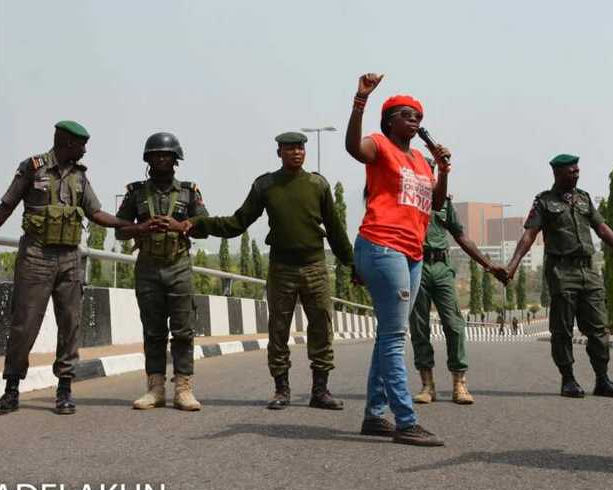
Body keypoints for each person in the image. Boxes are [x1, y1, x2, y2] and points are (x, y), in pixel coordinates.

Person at [0, 121, 133, 415]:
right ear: (65, 142)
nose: (85, 150)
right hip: (36, 256)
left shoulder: (79, 177)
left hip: (70, 259)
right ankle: (11, 391)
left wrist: (133, 226)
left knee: (70, 324)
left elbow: (97, 213)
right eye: (81, 144)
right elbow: (5, 207)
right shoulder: (33, 167)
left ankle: (64, 390)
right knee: (24, 325)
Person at [190, 131, 353, 411]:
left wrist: (352, 265)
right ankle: (281, 390)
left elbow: (336, 230)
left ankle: (320, 391)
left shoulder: (318, 185)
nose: (296, 153)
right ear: (279, 152)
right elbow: (238, 222)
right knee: (279, 330)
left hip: (314, 265)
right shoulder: (265, 185)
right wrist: (199, 224)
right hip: (282, 267)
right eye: (289, 149)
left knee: (322, 329)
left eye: (300, 148)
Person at [345, 74, 450, 447]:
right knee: (394, 336)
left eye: (418, 116)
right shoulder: (379, 146)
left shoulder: (421, 160)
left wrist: (443, 171)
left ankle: (375, 415)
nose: (415, 121)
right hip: (382, 245)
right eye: (406, 115)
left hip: (412, 252)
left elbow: (436, 205)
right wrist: (360, 100)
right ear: (389, 121)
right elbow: (353, 148)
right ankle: (405, 420)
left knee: (388, 334)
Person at [506, 154, 613, 399]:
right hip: (562, 272)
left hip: (589, 271)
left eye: (577, 171)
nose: (576, 174)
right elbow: (529, 236)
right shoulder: (544, 202)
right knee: (562, 330)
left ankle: (602, 379)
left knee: (598, 330)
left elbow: (602, 228)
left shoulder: (583, 199)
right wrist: (512, 266)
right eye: (571, 172)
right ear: (557, 174)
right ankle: (568, 379)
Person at [115, 132, 207, 412]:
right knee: (153, 331)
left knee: (183, 331)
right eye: (155, 155)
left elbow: (204, 224)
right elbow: (119, 229)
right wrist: (142, 228)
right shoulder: (136, 193)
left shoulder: (189, 192)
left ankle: (183, 388)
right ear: (148, 159)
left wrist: (180, 226)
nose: (161, 159)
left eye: (166, 155)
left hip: (178, 266)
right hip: (148, 267)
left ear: (176, 159)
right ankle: (155, 389)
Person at [408, 171, 504, 406]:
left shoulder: (444, 203)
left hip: (441, 267)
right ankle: (427, 384)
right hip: (415, 265)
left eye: (428, 173)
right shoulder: (405, 199)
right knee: (419, 327)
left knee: (454, 324)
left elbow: (461, 236)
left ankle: (459, 383)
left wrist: (488, 265)